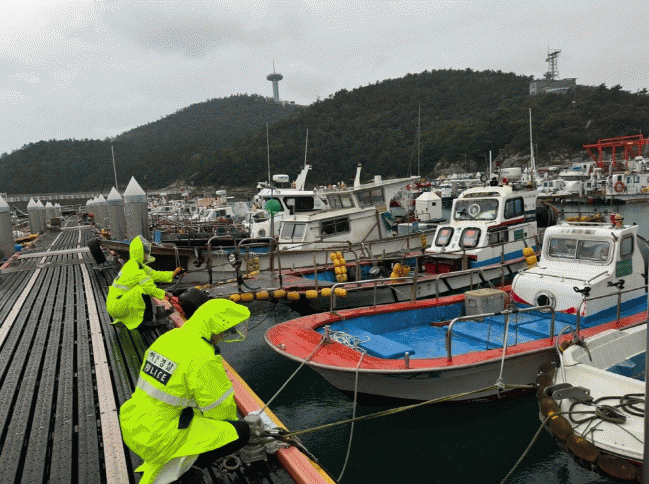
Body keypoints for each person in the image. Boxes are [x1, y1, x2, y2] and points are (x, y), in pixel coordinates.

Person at [119, 299, 252, 484]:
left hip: (134, 424)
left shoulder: (171, 337)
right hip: (160, 438)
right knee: (240, 431)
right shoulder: (204, 356)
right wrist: (236, 422)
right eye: (225, 330)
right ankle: (184, 472)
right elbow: (220, 411)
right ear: (216, 329)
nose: (223, 336)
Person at [106, 235, 184, 329]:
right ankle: (146, 322)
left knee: (140, 290)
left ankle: (139, 320)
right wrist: (166, 294)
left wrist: (173, 274)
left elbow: (154, 274)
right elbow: (149, 289)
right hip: (117, 307)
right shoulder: (136, 269)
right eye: (146, 253)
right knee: (142, 290)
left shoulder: (134, 264)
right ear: (140, 253)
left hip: (117, 304)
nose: (148, 255)